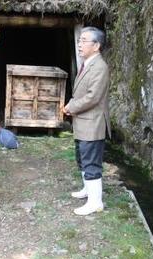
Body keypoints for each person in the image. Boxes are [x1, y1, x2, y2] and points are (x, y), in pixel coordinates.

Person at [63, 26, 111, 216]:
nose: (80, 44)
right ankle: (87, 190)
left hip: (93, 123)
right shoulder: (88, 63)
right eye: (79, 40)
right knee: (82, 158)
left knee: (91, 162)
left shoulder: (100, 67)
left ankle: (95, 202)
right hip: (83, 121)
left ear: (96, 45)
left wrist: (70, 107)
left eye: (84, 41)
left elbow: (93, 97)